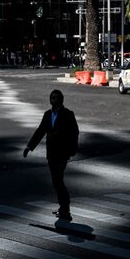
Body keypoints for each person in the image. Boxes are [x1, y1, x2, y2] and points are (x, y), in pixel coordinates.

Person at [23, 89, 80, 221]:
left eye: (56, 98)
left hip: (62, 153)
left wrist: (71, 150)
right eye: (52, 98)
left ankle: (65, 209)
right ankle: (63, 208)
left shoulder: (68, 114)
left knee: (58, 180)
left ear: (61, 100)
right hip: (51, 153)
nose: (53, 100)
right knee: (57, 181)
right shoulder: (48, 114)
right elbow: (41, 131)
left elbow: (74, 133)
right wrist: (29, 147)